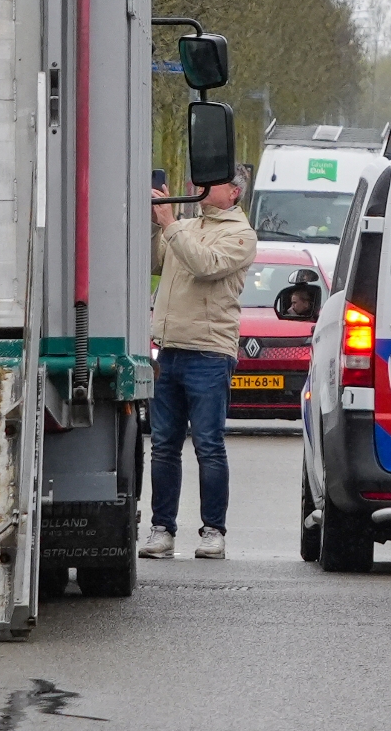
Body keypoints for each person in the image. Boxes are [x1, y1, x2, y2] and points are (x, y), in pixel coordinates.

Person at [142, 165, 257, 561]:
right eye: (200, 180)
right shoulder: (186, 226)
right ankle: (162, 529)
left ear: (234, 193)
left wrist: (170, 223)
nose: (202, 187)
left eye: (214, 182)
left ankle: (213, 531)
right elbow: (154, 261)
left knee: (208, 445)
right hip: (169, 348)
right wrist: (153, 222)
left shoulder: (241, 235)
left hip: (209, 351)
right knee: (163, 446)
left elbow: (205, 265)